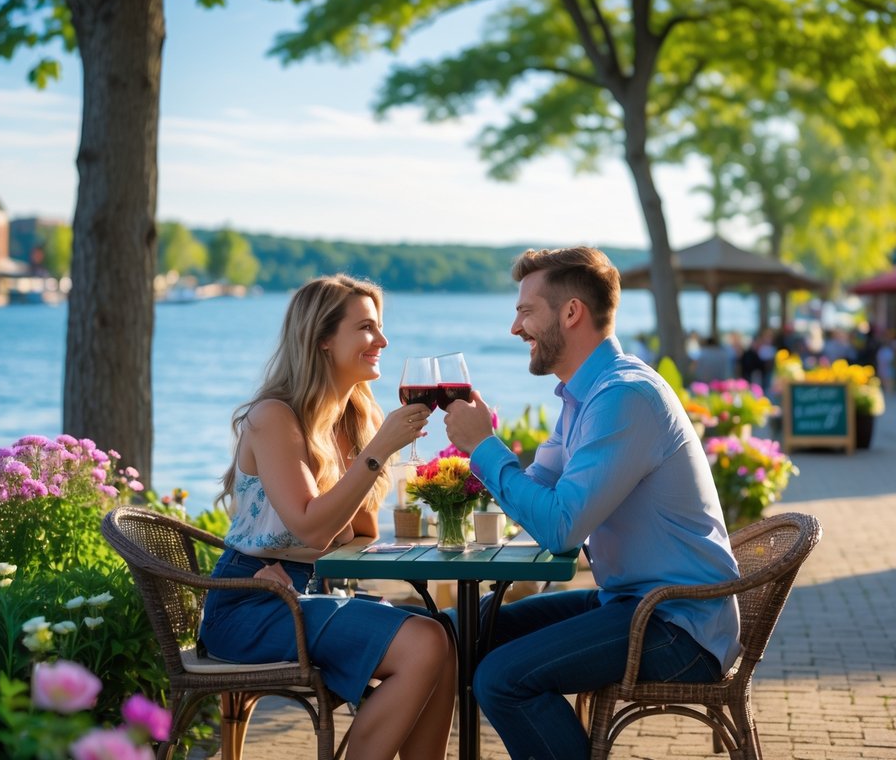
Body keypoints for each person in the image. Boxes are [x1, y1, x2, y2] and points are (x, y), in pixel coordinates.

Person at [443, 247, 741, 760]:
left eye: (525, 311)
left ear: (571, 312)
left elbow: (560, 527)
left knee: (502, 679)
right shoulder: (582, 396)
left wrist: (485, 447)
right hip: (629, 603)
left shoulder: (623, 397)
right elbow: (540, 487)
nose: (515, 328)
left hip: (676, 625)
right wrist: (479, 471)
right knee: (454, 631)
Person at [200, 275, 455, 760]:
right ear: (321, 338)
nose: (381, 341)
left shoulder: (347, 420)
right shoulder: (274, 416)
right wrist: (378, 452)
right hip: (250, 600)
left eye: (379, 328)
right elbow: (312, 527)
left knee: (443, 638)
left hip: (304, 591)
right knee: (424, 642)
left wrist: (367, 446)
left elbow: (359, 532)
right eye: (366, 328)